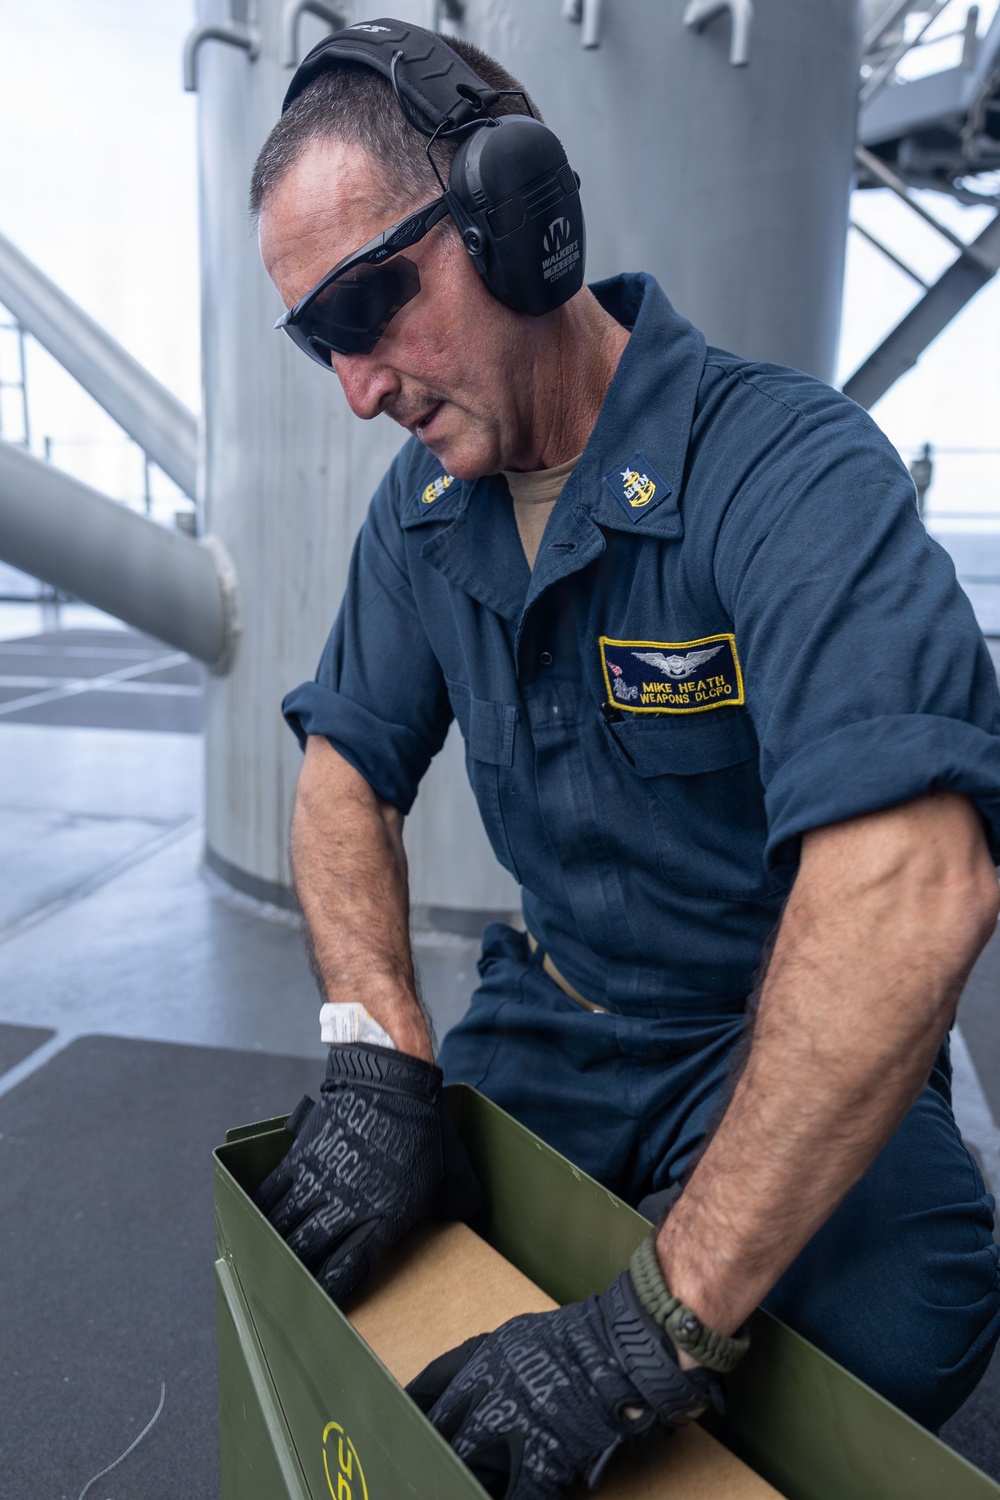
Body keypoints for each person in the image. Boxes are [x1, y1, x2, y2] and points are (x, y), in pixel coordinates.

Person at [250, 19, 1000, 1495]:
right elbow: (344, 769)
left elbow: (916, 886)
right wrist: (378, 1055)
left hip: (764, 1027)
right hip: (563, 1011)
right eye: (316, 335)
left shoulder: (787, 471)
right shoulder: (416, 523)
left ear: (518, 216)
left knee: (899, 1320)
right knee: (358, 1246)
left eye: (372, 303)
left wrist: (652, 1327)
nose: (355, 384)